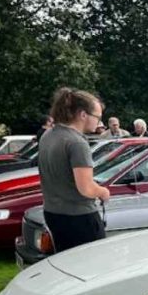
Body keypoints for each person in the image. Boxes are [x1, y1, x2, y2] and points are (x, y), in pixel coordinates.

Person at [39, 88, 111, 253]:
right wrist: (103, 191)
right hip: (79, 218)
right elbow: (86, 188)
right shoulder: (76, 142)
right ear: (83, 114)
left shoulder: (48, 135)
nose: (100, 122)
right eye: (98, 117)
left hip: (52, 213)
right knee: (92, 268)